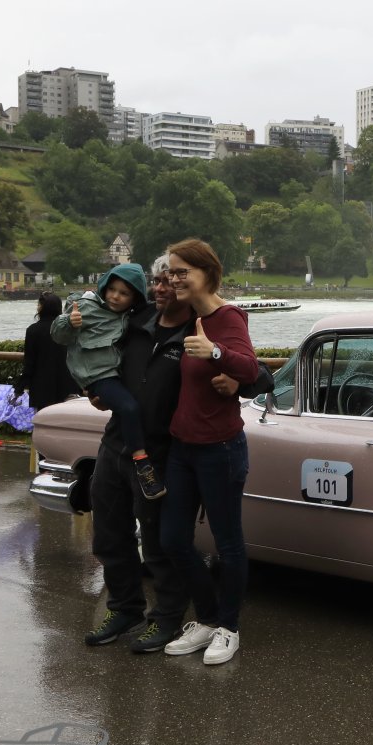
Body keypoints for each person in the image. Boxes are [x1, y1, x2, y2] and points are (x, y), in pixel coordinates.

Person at [84, 257, 272, 652]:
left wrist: (237, 383)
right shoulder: (136, 320)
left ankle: (167, 618)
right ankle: (124, 609)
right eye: (157, 280)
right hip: (116, 441)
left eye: (170, 280)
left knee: (159, 543)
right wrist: (94, 388)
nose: (161, 287)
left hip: (160, 452)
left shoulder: (199, 328)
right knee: (109, 535)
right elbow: (94, 348)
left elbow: (260, 374)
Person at [158, 239, 259, 666]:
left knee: (228, 543)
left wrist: (216, 353)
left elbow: (252, 368)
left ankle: (228, 628)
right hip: (183, 449)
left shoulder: (227, 317)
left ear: (208, 273)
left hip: (220, 449)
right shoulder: (187, 316)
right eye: (171, 271)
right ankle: (207, 617)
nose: (174, 278)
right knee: (173, 539)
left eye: (182, 272)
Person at [50, 264, 164, 500]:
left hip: (113, 373)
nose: (115, 296)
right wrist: (69, 322)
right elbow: (59, 336)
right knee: (129, 408)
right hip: (97, 375)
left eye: (124, 293)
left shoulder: (128, 315)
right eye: (112, 289)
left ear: (134, 298)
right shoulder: (86, 306)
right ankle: (142, 464)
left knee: (131, 406)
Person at [15, 291, 78, 412]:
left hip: (42, 389)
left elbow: (29, 364)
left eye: (39, 304)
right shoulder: (68, 329)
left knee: (44, 421)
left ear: (42, 308)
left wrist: (19, 388)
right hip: (68, 386)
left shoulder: (33, 330)